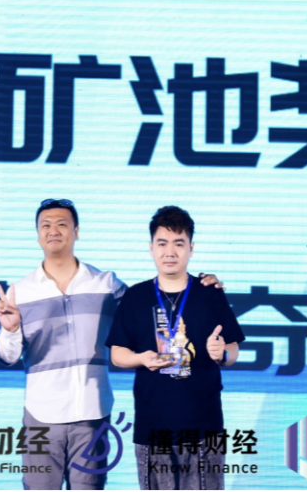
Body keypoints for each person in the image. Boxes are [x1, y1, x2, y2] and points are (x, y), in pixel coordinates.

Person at [0, 199, 224, 492]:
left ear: (76, 231)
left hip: (93, 410)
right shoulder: (21, 291)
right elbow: (7, 357)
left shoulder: (106, 284)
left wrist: (203, 286)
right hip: (42, 413)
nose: (54, 230)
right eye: (45, 225)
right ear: (38, 234)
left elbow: (152, 305)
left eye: (62, 224)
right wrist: (11, 329)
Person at [106, 206, 245, 491]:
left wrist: (222, 353)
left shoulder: (210, 293)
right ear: (151, 248)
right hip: (153, 425)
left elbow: (232, 349)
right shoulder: (136, 296)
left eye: (178, 244)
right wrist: (141, 358)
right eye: (162, 243)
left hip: (204, 425)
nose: (170, 252)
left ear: (191, 248)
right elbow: (117, 354)